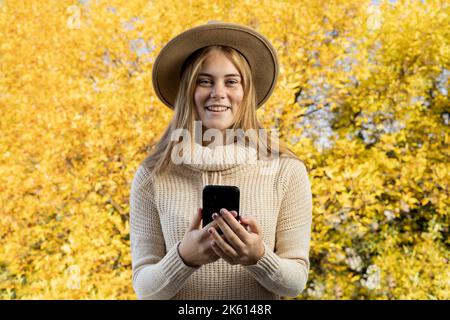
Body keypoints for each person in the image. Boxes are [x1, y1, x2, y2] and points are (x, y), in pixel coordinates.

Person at [129, 21, 313, 300]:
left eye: (231, 81)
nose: (218, 92)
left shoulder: (286, 171)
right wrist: (183, 258)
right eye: (204, 81)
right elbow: (145, 289)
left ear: (245, 92)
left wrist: (258, 256)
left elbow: (295, 282)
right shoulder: (153, 175)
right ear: (189, 91)